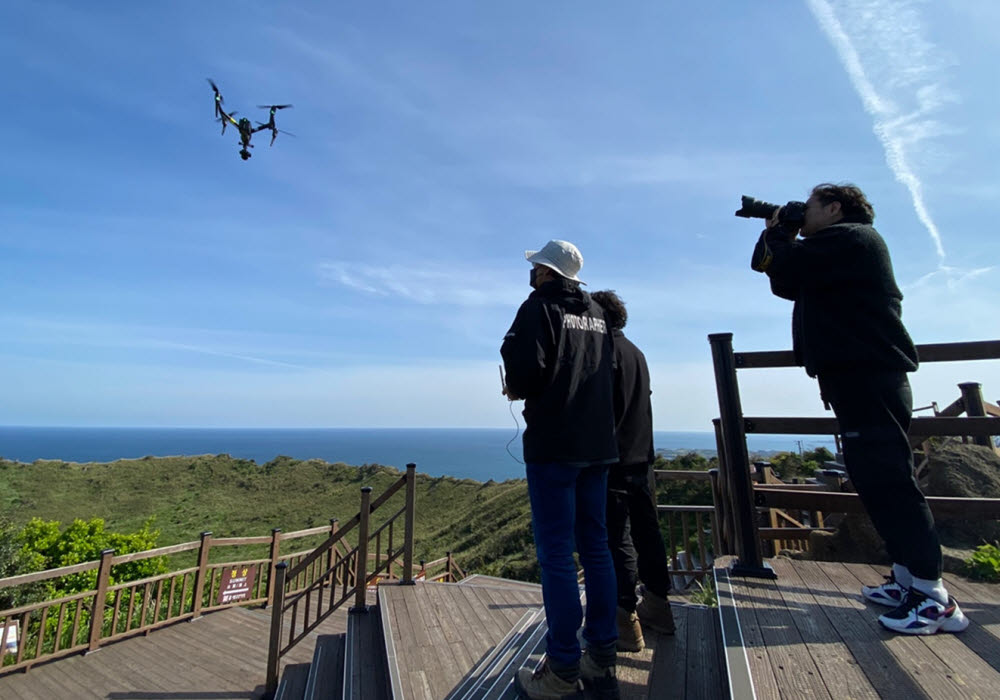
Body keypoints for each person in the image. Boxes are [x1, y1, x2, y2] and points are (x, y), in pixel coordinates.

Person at [751, 183, 968, 635]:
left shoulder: (852, 238)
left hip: (870, 376)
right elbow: (779, 276)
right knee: (873, 481)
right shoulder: (835, 250)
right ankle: (908, 580)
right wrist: (779, 229)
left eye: (809, 206)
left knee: (891, 481)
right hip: (855, 378)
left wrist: (783, 229)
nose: (802, 212)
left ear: (834, 208)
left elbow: (786, 262)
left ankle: (933, 598)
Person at [501, 240, 621, 699]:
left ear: (546, 272)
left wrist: (517, 386)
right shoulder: (597, 314)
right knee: (596, 548)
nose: (531, 274)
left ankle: (562, 670)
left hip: (555, 446)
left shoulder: (538, 308)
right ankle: (601, 655)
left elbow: (528, 374)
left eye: (535, 268)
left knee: (556, 557)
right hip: (600, 446)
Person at [590, 290, 675, 653]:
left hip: (614, 460)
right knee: (646, 530)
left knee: (616, 539)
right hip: (642, 456)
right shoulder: (636, 352)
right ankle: (657, 603)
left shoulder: (603, 353)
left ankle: (625, 620)